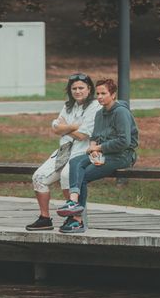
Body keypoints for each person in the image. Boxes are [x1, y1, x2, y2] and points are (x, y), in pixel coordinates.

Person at [55, 78, 138, 233]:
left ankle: (77, 221)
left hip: (122, 156)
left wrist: (98, 147)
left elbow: (124, 142)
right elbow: (94, 136)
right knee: (75, 161)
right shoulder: (100, 113)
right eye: (98, 93)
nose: (99, 97)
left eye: (104, 93)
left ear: (113, 95)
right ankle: (73, 201)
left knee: (84, 175)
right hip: (103, 153)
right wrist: (93, 147)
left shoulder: (121, 112)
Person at [24, 73, 101, 231]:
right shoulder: (68, 106)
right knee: (38, 177)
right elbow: (55, 127)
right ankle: (45, 218)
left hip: (82, 152)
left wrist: (65, 128)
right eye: (74, 88)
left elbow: (82, 135)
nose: (77, 91)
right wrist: (73, 126)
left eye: (81, 88)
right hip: (64, 150)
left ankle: (75, 219)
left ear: (89, 89)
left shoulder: (95, 107)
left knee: (67, 176)